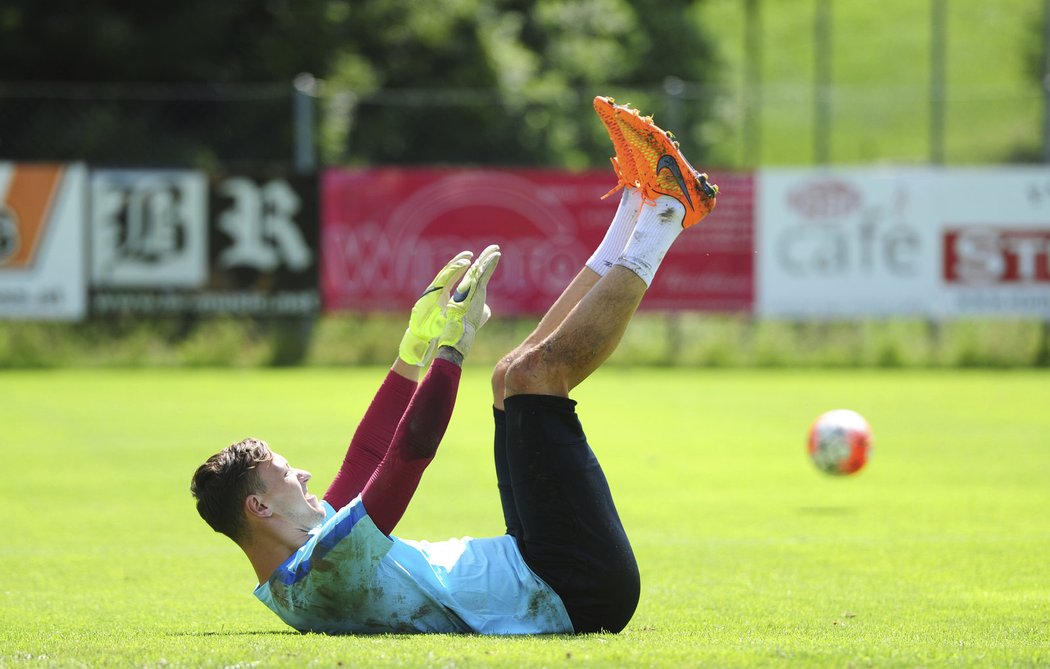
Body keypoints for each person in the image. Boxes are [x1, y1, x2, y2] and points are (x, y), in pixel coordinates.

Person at [189, 97, 718, 635]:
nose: (302, 475)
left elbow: (368, 454)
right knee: (536, 380)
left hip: (535, 563)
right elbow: (408, 454)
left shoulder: (308, 556)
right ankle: (667, 216)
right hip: (571, 587)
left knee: (510, 379)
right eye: (284, 475)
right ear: (259, 507)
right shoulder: (320, 576)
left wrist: (413, 351)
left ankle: (633, 208)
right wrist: (453, 347)